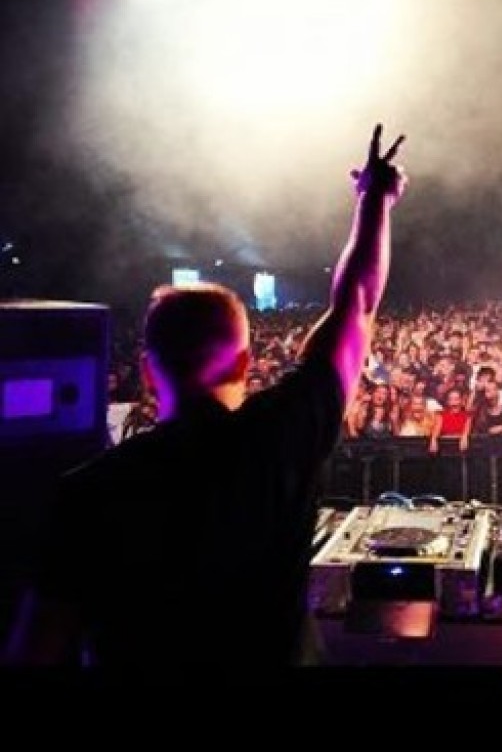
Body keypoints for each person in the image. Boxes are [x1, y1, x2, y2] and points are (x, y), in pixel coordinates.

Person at [4, 124, 407, 669]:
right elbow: (356, 303)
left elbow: (37, 648)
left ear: (148, 373)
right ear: (244, 363)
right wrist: (375, 199)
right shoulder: (281, 437)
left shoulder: (86, 494)